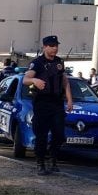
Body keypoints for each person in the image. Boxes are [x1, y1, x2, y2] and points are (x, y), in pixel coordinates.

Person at [23, 35, 73, 175]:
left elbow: (65, 82)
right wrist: (34, 80)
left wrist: (69, 100)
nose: (54, 48)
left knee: (59, 134)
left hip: (57, 103)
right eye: (51, 46)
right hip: (42, 103)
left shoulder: (59, 62)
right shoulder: (37, 63)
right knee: (42, 135)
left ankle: (53, 158)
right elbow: (25, 80)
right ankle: (40, 163)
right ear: (44, 47)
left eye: (56, 45)